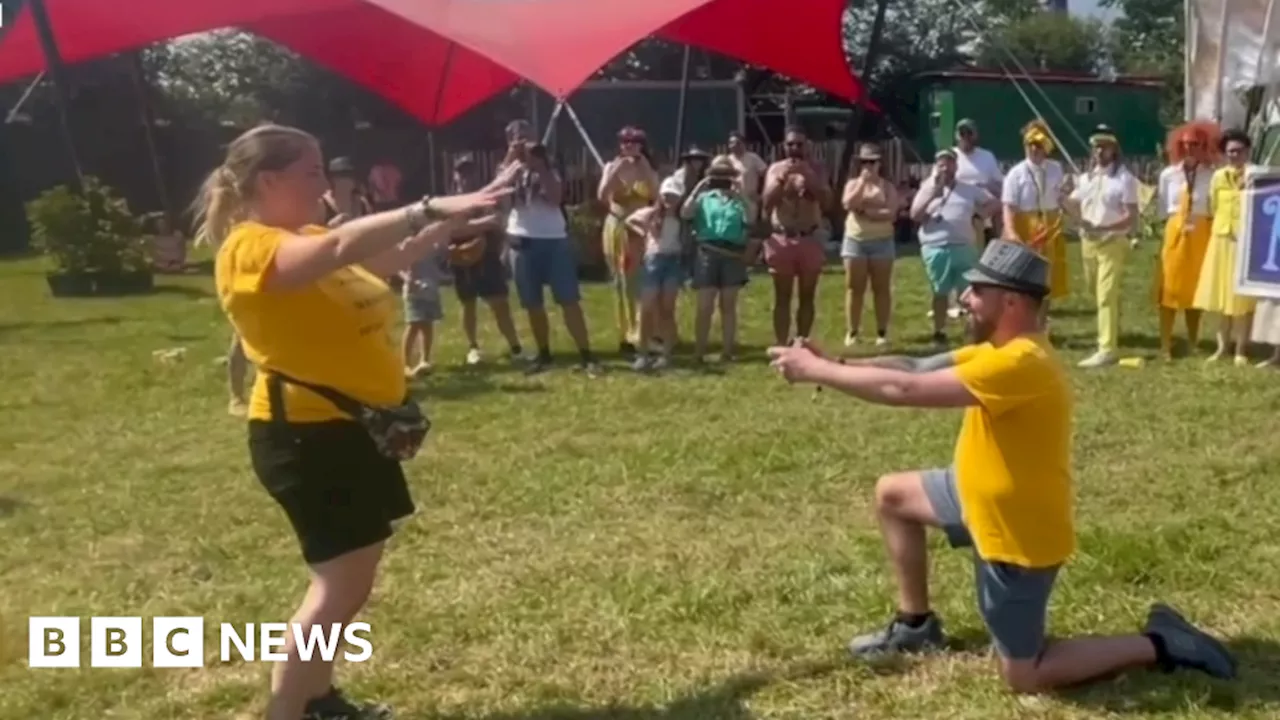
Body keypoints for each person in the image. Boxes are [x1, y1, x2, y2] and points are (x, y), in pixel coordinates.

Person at [767, 240, 1237, 695]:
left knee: (1024, 675)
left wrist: (816, 372)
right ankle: (916, 626)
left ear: (1010, 300)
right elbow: (913, 367)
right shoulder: (997, 348)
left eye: (976, 291)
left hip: (1015, 534)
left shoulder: (1021, 363)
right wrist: (839, 361)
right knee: (893, 495)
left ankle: (1160, 643)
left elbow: (905, 393)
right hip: (969, 493)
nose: (966, 299)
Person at [197, 123, 505, 720]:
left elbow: (390, 254)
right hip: (306, 438)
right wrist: (427, 206)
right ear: (270, 179)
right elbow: (340, 249)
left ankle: (316, 698)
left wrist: (463, 213)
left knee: (350, 581)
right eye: (312, 172)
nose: (326, 183)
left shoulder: (305, 233)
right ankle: (288, 711)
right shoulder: (251, 246)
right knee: (337, 587)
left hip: (349, 431)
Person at [495, 119, 601, 376]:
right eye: (517, 137)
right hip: (521, 240)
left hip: (554, 240)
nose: (523, 142)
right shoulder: (507, 168)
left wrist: (539, 165)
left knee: (568, 299)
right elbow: (496, 194)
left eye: (527, 136)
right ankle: (544, 354)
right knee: (532, 302)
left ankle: (586, 355)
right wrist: (512, 159)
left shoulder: (550, 164)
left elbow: (556, 198)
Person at [1063, 125, 1140, 368]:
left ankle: (1107, 348)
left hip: (1113, 242)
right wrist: (1063, 196)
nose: (1099, 150)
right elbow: (1073, 205)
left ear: (1113, 150)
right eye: (1096, 146)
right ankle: (1112, 330)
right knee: (1095, 291)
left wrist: (1105, 228)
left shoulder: (1124, 179)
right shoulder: (1086, 179)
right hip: (1089, 243)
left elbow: (1132, 217)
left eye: (1104, 146)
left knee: (1105, 294)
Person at [910, 148, 998, 345]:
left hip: (964, 246)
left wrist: (980, 215)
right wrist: (933, 194)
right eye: (941, 164)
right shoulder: (926, 188)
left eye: (949, 163)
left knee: (969, 293)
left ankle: (973, 332)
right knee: (939, 291)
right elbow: (914, 215)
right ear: (935, 167)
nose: (945, 167)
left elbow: (994, 203)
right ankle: (939, 331)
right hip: (935, 247)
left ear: (956, 166)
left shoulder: (968, 188)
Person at [448, 155, 524, 365]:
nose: (466, 178)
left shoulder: (485, 197)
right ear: (455, 176)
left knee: (500, 303)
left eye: (469, 173)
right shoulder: (450, 202)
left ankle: (515, 347)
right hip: (462, 259)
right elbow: (450, 229)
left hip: (488, 257)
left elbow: (497, 222)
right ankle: (473, 348)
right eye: (461, 173)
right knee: (468, 305)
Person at [1153, 121, 1219, 360]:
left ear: (1205, 146)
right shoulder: (1168, 175)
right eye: (1186, 144)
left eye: (1197, 144)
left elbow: (1214, 207)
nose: (1191, 148)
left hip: (1201, 232)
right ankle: (1165, 344)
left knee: (1195, 289)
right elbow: (1162, 208)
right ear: (1178, 145)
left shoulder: (1212, 175)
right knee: (1168, 289)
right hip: (1175, 231)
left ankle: (1193, 341)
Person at [762, 126, 833, 345]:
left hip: (809, 236)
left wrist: (809, 178)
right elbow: (766, 204)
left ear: (807, 146)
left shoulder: (817, 169)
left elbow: (828, 203)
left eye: (799, 144)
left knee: (807, 296)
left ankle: (802, 342)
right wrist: (782, 181)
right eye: (790, 144)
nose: (794, 149)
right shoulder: (775, 169)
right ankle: (782, 344)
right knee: (781, 297)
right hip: (782, 236)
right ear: (784, 146)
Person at [682, 155, 754, 361]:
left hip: (732, 253)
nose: (722, 180)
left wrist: (740, 195)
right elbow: (686, 213)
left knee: (728, 305)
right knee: (704, 305)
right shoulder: (704, 198)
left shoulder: (739, 201)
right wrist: (699, 188)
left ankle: (728, 351)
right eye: (717, 175)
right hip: (707, 252)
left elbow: (750, 218)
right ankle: (699, 351)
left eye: (726, 175)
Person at [1195, 128, 1256, 365]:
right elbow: (1212, 206)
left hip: (1245, 241)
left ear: (1247, 151)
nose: (1234, 155)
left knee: (1242, 300)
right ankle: (1222, 347)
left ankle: (1241, 348)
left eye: (1238, 151)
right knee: (1221, 297)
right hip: (1220, 239)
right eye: (1229, 151)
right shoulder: (1218, 177)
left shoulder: (1255, 175)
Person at [1002, 120, 1072, 323]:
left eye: (1039, 144)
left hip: (1050, 226)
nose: (1034, 149)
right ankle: (1022, 322)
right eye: (1030, 144)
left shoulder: (1055, 169)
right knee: (1024, 278)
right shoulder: (1016, 174)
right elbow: (1008, 206)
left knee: (1047, 279)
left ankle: (1040, 323)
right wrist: (1011, 232)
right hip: (1026, 225)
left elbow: (1061, 198)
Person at [598, 126, 659, 356]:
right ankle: (625, 334)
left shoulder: (648, 168)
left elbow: (656, 195)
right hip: (618, 226)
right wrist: (616, 172)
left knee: (642, 280)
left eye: (633, 142)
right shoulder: (611, 166)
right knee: (621, 281)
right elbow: (602, 196)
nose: (628, 146)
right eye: (624, 141)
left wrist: (643, 168)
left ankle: (645, 331)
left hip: (641, 229)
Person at [841, 143, 899, 347]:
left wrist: (866, 211)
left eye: (872, 162)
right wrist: (861, 185)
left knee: (881, 288)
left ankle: (882, 332)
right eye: (864, 162)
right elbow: (848, 204)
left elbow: (891, 213)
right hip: (856, 240)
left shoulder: (887, 187)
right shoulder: (852, 184)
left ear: (879, 164)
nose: (868, 166)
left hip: (882, 242)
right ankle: (853, 332)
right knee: (854, 288)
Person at [625, 175, 685, 371]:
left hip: (672, 261)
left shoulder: (681, 218)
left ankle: (666, 354)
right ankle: (642, 353)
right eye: (667, 196)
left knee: (667, 309)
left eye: (674, 197)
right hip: (654, 260)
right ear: (661, 195)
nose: (670, 201)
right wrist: (643, 232)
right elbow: (629, 220)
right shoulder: (651, 214)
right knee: (647, 308)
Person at [401, 246, 447, 377]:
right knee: (413, 325)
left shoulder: (433, 244)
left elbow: (438, 262)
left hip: (430, 289)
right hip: (414, 291)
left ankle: (425, 361)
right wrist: (408, 279)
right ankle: (405, 364)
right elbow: (398, 265)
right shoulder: (408, 243)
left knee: (428, 324)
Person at [726, 130, 769, 227]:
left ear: (743, 144)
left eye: (737, 143)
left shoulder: (753, 158)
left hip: (750, 199)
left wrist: (761, 194)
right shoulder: (727, 160)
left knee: (749, 227)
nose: (734, 145)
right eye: (731, 143)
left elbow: (766, 174)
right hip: (732, 200)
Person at [321, 157, 373, 225]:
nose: (353, 180)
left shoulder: (362, 203)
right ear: (334, 179)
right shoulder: (323, 204)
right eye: (347, 176)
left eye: (353, 176)